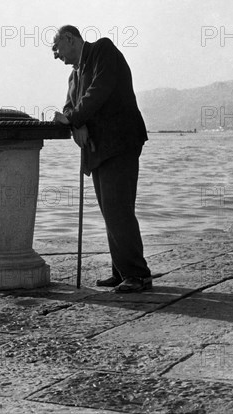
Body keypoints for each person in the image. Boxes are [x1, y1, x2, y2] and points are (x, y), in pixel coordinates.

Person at [52, 25, 152, 293]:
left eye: (56, 46)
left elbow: (100, 89)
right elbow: (68, 107)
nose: (55, 54)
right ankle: (122, 271)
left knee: (118, 209)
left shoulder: (103, 50)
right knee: (111, 211)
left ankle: (138, 275)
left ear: (69, 39)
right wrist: (76, 123)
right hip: (98, 149)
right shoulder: (74, 76)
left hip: (120, 142)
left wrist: (75, 119)